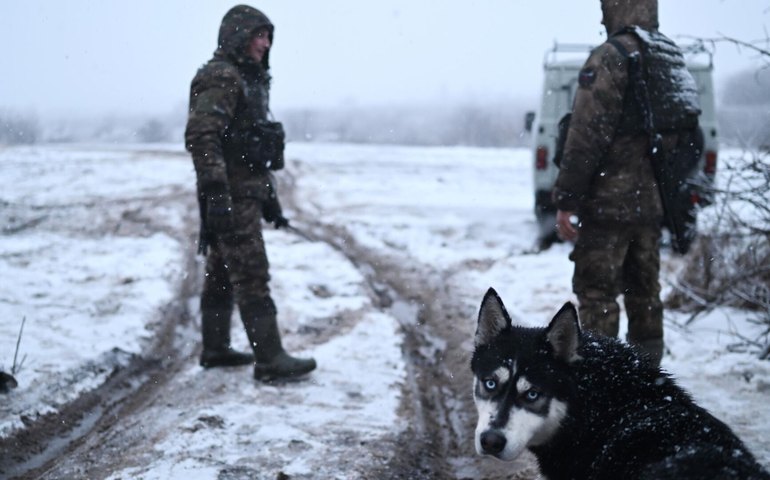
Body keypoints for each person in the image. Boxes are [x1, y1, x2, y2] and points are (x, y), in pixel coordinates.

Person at [552, 0, 700, 366]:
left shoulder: (611, 56)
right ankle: (648, 383)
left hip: (607, 206)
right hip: (650, 207)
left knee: (597, 294)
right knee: (645, 295)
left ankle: (604, 386)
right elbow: (691, 138)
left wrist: (568, 199)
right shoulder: (668, 56)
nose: (602, 16)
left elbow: (585, 136)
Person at [185, 5, 316, 381]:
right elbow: (202, 136)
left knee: (223, 271)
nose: (265, 43)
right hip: (231, 195)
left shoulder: (248, 78)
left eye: (268, 36)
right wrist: (216, 195)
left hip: (244, 193)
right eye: (258, 35)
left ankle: (215, 349)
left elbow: (251, 149)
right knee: (251, 273)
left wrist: (271, 202)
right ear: (238, 36)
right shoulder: (222, 77)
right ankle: (271, 359)